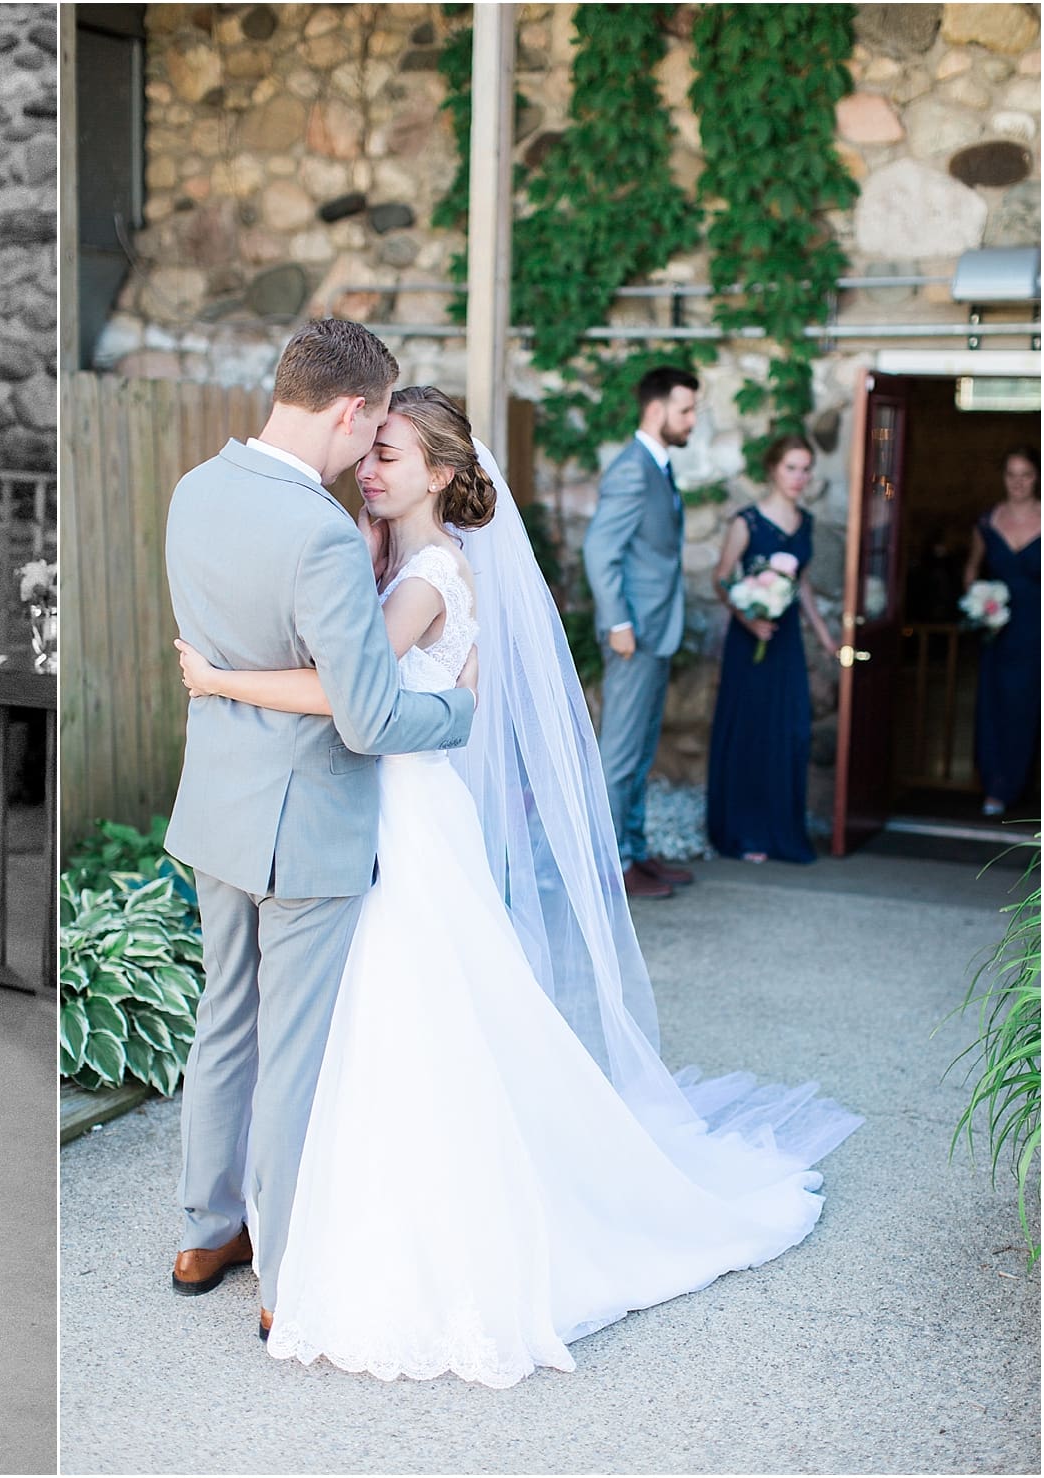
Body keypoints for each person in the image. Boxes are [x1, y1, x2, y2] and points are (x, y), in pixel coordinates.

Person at [177, 387, 860, 1387]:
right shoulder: (398, 563)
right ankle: (304, 1216)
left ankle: (368, 1226)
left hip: (401, 822)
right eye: (369, 454)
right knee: (379, 1022)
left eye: (391, 457)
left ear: (444, 474)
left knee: (404, 1021)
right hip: (395, 811)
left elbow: (346, 691)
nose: (369, 469)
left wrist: (219, 678)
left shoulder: (428, 576)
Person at [161, 321, 478, 1337]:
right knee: (293, 1049)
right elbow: (372, 714)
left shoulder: (195, 490)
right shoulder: (322, 534)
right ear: (350, 410)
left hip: (216, 807)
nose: (372, 447)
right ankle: (287, 1275)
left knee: (225, 1022)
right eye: (376, 426)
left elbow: (228, 651)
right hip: (308, 828)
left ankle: (207, 1230)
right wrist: (462, 710)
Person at [583, 367, 700, 899]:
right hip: (635, 633)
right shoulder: (632, 469)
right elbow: (600, 550)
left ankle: (635, 851)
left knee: (642, 748)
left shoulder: (659, 466)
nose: (692, 420)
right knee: (622, 752)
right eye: (686, 410)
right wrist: (620, 623)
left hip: (656, 630)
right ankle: (612, 865)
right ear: (656, 410)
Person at [705, 436, 837, 863]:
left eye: (806, 469)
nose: (800, 478)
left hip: (787, 646)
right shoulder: (747, 522)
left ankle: (781, 830)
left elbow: (804, 587)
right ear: (773, 470)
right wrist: (749, 618)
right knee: (752, 734)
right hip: (752, 643)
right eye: (792, 468)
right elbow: (721, 577)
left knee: (790, 733)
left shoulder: (807, 523)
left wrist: (824, 637)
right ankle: (746, 833)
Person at [962, 446, 1040, 817]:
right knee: (996, 708)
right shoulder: (988, 520)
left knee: (1031, 708)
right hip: (999, 630)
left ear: (1037, 476)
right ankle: (996, 787)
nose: (1018, 482)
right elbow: (971, 569)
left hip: (1037, 631)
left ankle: (1029, 789)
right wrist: (977, 602)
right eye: (1011, 474)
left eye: (1026, 474)